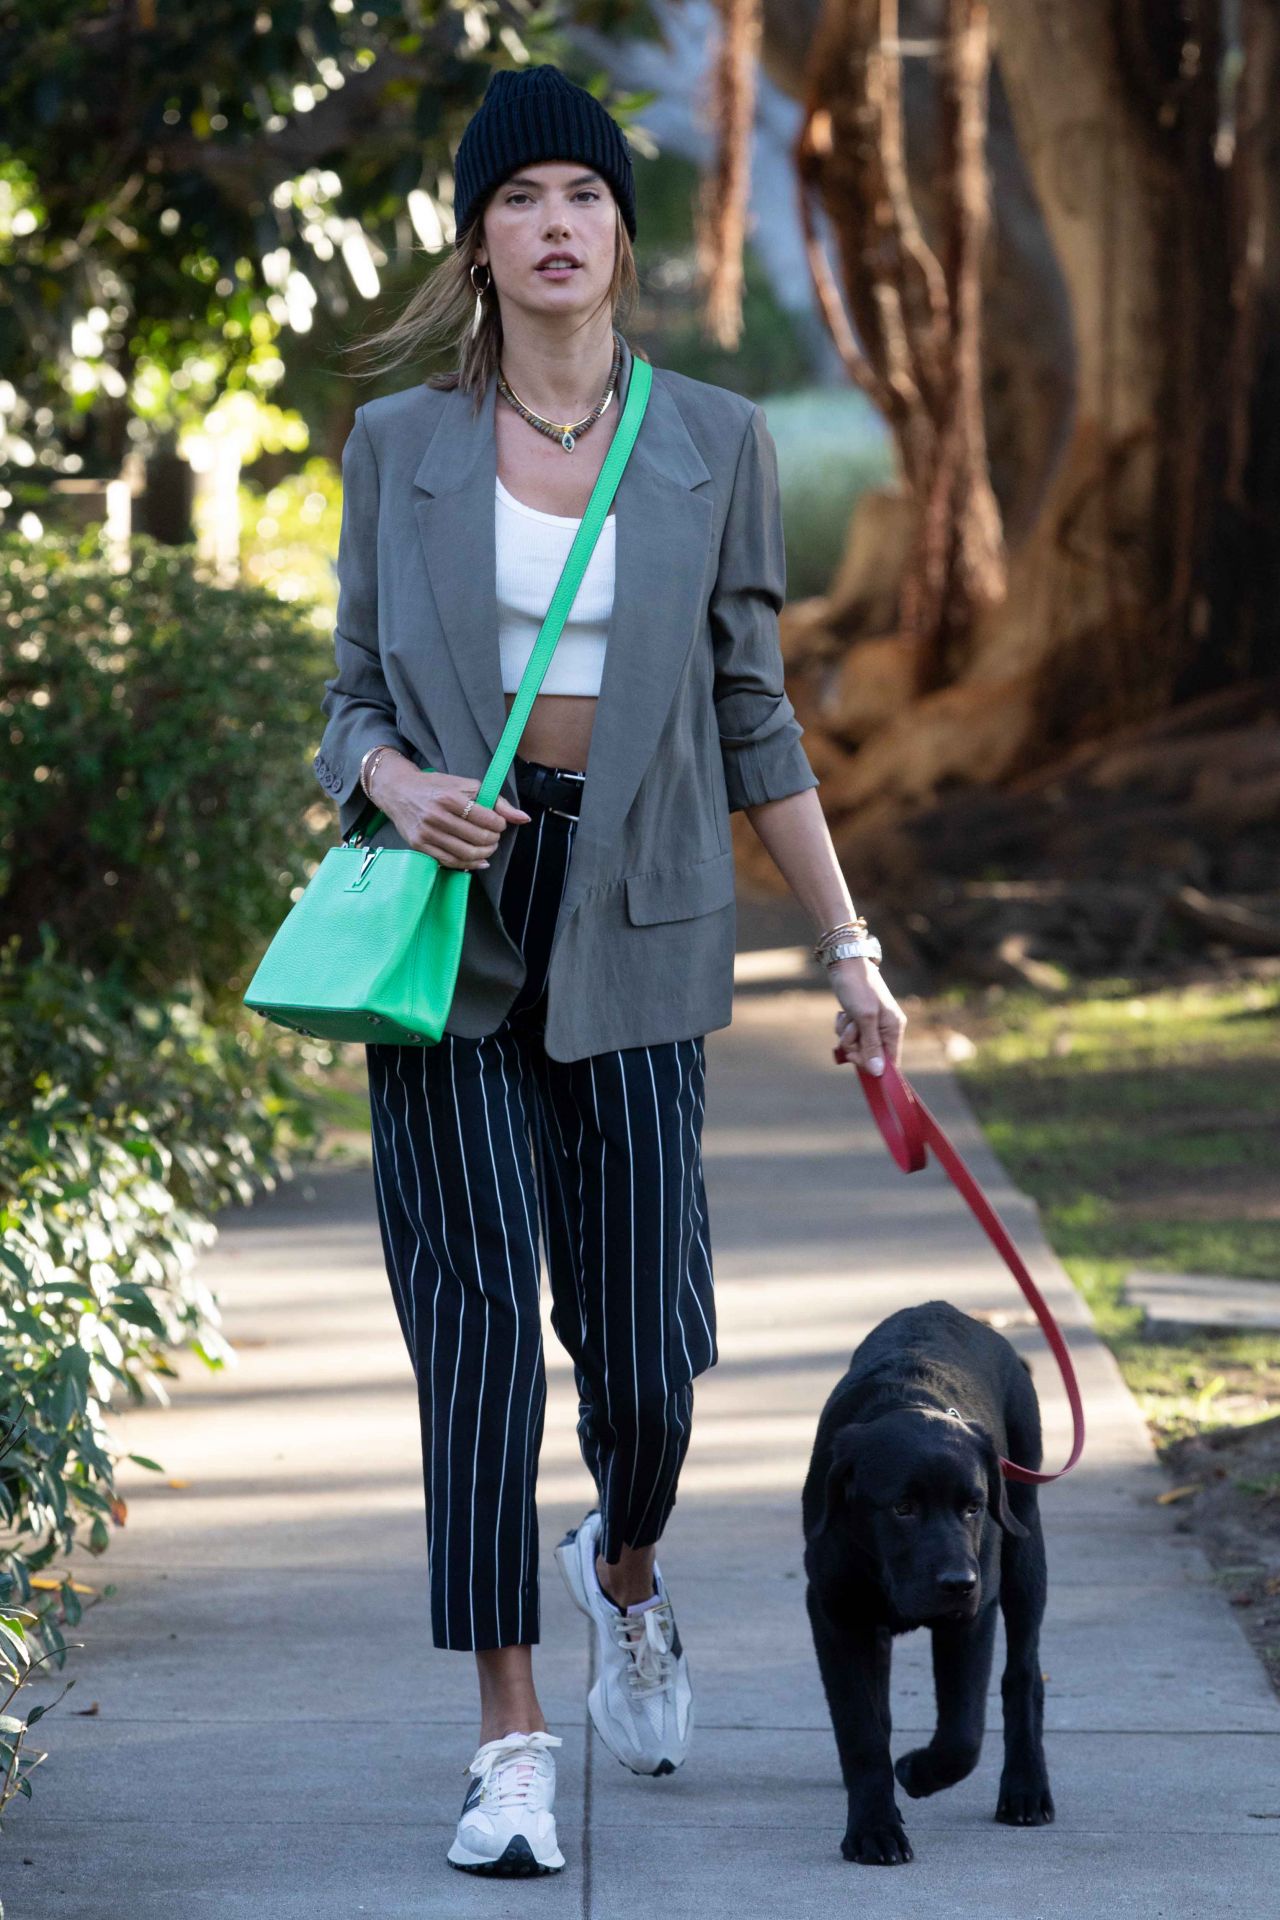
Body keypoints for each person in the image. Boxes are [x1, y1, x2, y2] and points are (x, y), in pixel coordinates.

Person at [311, 62, 908, 1878]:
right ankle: (507, 1743)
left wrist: (850, 944)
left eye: (582, 194)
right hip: (448, 928)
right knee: (479, 1339)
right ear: (478, 241)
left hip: (640, 916)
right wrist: (392, 782)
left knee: (649, 1354)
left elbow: (752, 715)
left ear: (617, 236)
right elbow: (343, 700)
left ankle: (624, 1564)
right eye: (518, 199)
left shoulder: (714, 437)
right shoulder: (400, 445)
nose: (554, 224)